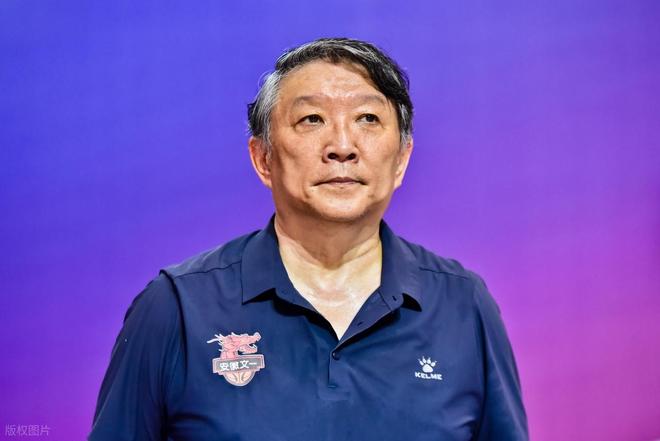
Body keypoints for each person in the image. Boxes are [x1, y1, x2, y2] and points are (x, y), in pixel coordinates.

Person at [89, 37, 528, 441]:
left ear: (401, 159)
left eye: (368, 119)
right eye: (312, 119)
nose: (342, 145)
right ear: (263, 158)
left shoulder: (463, 306)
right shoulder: (178, 308)